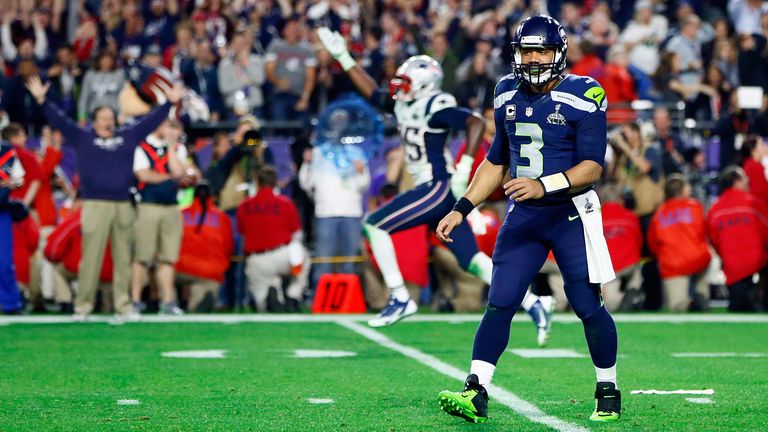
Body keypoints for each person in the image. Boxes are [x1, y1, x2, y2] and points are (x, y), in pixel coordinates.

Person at [434, 15, 620, 423]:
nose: (533, 59)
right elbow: (496, 160)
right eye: (526, 50)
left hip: (571, 213)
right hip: (524, 218)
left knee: (587, 305)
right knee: (499, 302)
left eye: (541, 50)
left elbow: (592, 168)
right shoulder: (504, 91)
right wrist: (461, 208)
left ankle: (608, 386)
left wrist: (543, 185)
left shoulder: (584, 92)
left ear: (559, 53)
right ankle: (476, 389)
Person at [318, 28, 553, 333]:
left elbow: (475, 122)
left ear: (424, 85)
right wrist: (343, 56)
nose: (400, 88)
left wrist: (464, 168)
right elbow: (373, 93)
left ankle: (399, 296)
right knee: (471, 260)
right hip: (433, 189)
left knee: (375, 224)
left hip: (438, 187)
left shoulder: (434, 105)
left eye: (406, 83)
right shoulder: (405, 103)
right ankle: (533, 302)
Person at [25, 75, 186, 321]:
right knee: (91, 257)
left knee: (123, 258)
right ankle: (83, 306)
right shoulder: (83, 138)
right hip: (95, 204)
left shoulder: (127, 137)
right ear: (94, 121)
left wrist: (169, 105)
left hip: (123, 204)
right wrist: (42, 100)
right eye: (103, 118)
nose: (108, 121)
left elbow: (149, 121)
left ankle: (123, 306)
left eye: (110, 118)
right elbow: (59, 120)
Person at [131, 120, 197, 316]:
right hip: (148, 205)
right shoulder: (142, 147)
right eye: (167, 126)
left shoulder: (177, 148)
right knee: (142, 256)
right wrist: (170, 177)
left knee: (168, 257)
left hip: (171, 207)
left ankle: (167, 301)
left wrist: (170, 147)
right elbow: (144, 175)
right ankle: (135, 300)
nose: (170, 131)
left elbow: (179, 171)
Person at [236, 166, 309, 312]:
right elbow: (297, 234)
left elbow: (242, 231)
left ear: (257, 182)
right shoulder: (285, 203)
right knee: (301, 254)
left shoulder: (245, 205)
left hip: (257, 260)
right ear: (275, 182)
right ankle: (293, 296)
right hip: (282, 257)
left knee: (262, 307)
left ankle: (270, 297)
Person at [707, 166, 768, 311]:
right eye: (744, 178)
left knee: (738, 308)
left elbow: (713, 240)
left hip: (732, 267)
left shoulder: (715, 208)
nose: (747, 181)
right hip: (758, 262)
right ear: (736, 181)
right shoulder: (754, 203)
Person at [647, 175, 711, 312]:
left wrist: (664, 257)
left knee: (677, 307)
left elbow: (653, 244)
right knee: (703, 266)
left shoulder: (659, 213)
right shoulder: (696, 206)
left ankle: (689, 305)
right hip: (698, 258)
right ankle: (702, 295)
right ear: (682, 190)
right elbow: (707, 231)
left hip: (673, 264)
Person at [176, 182, 233, 312]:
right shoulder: (222, 217)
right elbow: (228, 248)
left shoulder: (179, 214)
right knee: (199, 301)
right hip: (209, 271)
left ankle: (166, 302)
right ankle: (197, 304)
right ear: (212, 198)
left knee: (161, 270)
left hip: (178, 267)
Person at [0, 141, 25, 314]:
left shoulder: (7, 151)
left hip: (1, 210)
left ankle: (11, 304)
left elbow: (19, 180)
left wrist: (13, 183)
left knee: (4, 261)